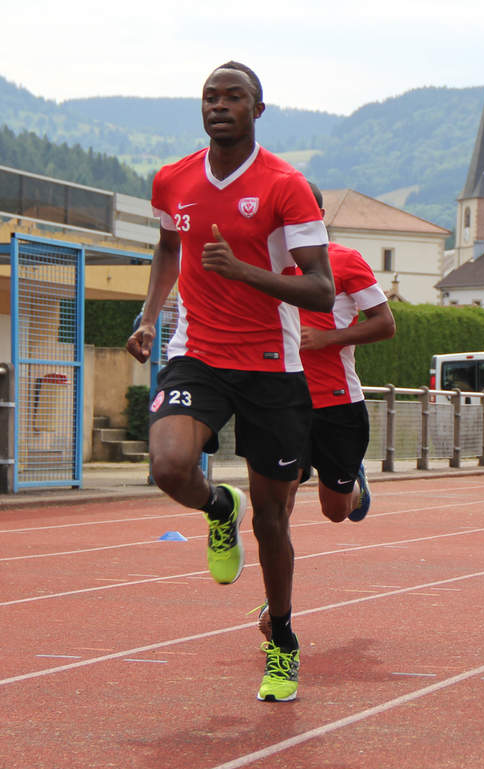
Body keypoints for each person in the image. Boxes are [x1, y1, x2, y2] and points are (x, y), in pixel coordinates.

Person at [126, 61, 333, 704]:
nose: (219, 106)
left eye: (233, 97)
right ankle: (219, 507)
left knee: (274, 520)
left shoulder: (285, 187)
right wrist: (149, 314)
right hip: (199, 354)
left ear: (257, 109)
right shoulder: (173, 179)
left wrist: (244, 272)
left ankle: (282, 641)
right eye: (210, 97)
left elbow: (321, 288)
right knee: (168, 465)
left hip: (272, 364)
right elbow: (168, 246)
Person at [297, 181, 396, 523]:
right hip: (284, 399)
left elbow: (385, 324)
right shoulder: (269, 263)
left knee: (336, 511)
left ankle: (355, 480)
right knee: (275, 491)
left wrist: (328, 338)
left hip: (336, 401)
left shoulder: (345, 259)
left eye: (302, 208)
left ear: (319, 216)